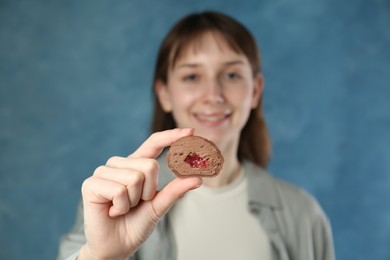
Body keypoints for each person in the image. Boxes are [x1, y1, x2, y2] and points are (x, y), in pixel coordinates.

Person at [57, 10, 335, 260]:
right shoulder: (118, 198)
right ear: (164, 93)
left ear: (255, 91)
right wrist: (100, 257)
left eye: (231, 75)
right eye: (192, 77)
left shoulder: (302, 212)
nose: (213, 95)